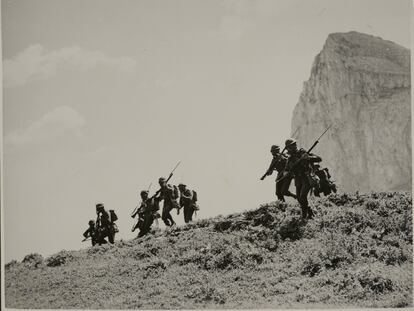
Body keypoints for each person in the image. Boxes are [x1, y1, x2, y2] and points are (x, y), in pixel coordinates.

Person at [284, 139, 322, 219]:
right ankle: (309, 211)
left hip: (306, 177)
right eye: (289, 147)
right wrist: (286, 172)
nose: (291, 148)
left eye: (292, 146)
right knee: (299, 198)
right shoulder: (290, 159)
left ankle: (304, 216)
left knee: (302, 196)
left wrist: (308, 158)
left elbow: (319, 158)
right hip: (298, 179)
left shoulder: (303, 153)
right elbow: (286, 170)